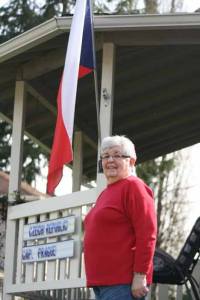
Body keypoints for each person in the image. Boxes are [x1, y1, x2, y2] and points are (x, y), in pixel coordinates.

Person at [84, 135, 157, 300]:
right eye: (105, 156)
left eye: (117, 155)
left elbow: (147, 234)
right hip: (102, 284)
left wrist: (140, 275)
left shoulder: (134, 186)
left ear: (131, 161)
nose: (110, 160)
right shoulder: (105, 194)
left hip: (123, 283)